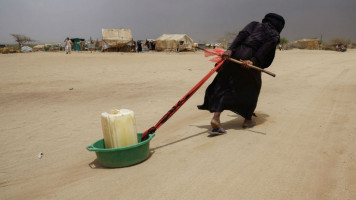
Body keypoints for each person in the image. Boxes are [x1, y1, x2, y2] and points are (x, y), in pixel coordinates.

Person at [198, 13, 285, 134]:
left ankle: (216, 118)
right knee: (252, 88)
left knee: (224, 85)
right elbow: (264, 50)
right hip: (250, 60)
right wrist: (252, 61)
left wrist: (230, 50)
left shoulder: (254, 24)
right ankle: (247, 120)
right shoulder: (274, 35)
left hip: (236, 54)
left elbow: (241, 36)